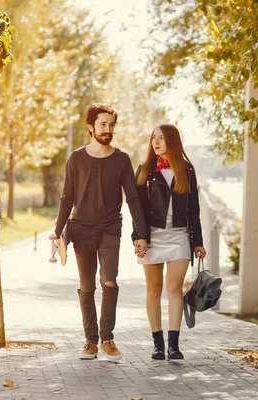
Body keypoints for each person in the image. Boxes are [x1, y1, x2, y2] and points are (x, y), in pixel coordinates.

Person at [53, 103, 148, 361]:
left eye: (111, 125)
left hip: (110, 229)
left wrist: (141, 233)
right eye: (103, 124)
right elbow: (66, 197)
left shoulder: (121, 160)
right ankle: (90, 342)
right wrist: (58, 232)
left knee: (109, 282)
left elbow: (134, 199)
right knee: (86, 287)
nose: (108, 129)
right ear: (91, 127)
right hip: (81, 229)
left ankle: (107, 338)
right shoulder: (76, 158)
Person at [132, 124, 206, 360]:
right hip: (152, 236)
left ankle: (174, 345)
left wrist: (198, 242)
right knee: (153, 289)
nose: (156, 142)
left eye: (161, 138)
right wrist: (139, 237)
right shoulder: (145, 170)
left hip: (179, 235)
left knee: (174, 288)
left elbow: (194, 209)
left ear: (172, 141)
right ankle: (158, 345)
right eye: (153, 137)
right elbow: (137, 210)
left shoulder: (187, 170)